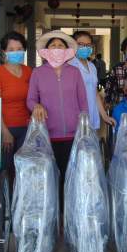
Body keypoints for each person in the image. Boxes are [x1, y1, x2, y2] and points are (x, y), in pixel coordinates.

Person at [27, 30, 88, 199]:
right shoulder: (38, 73)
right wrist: (36, 106)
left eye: (60, 45)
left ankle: (68, 212)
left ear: (67, 51)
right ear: (46, 51)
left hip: (73, 135)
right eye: (53, 45)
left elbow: (83, 102)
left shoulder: (75, 72)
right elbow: (30, 99)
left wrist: (84, 128)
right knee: (50, 179)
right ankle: (54, 212)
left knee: (71, 178)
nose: (56, 48)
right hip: (47, 136)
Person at [0, 31, 32, 184]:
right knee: (5, 171)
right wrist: (5, 132)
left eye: (19, 49)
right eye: (11, 49)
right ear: (4, 52)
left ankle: (20, 198)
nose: (16, 52)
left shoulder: (29, 72)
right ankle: (4, 198)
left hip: (26, 128)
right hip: (5, 129)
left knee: (23, 170)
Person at [70, 30, 116, 129]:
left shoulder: (92, 66)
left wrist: (104, 116)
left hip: (92, 115)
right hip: (76, 117)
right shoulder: (69, 66)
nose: (85, 47)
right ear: (73, 45)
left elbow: (95, 93)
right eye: (81, 44)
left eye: (88, 45)